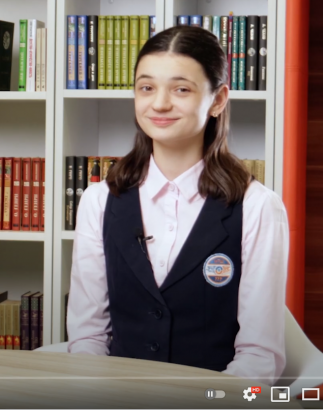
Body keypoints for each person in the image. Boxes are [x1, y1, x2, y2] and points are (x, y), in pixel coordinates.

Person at [66, 25, 289, 385]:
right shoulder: (99, 200)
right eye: (146, 88)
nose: (159, 104)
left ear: (218, 100)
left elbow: (260, 357)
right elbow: (88, 336)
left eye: (181, 89)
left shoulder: (258, 207)